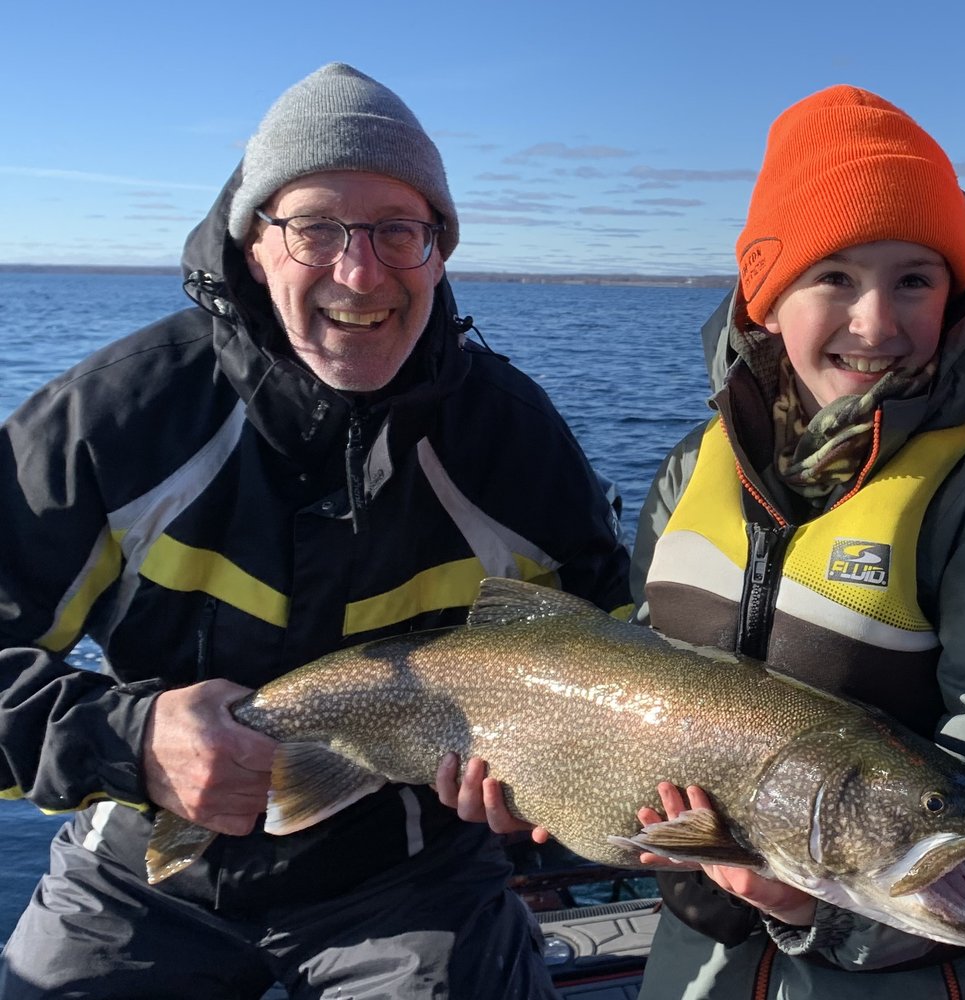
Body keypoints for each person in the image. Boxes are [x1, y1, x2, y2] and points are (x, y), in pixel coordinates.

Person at [0, 62, 629, 998]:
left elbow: (613, 665)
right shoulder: (114, 421)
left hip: (412, 882)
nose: (360, 269)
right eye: (316, 229)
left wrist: (538, 789)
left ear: (439, 252)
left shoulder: (510, 440)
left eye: (397, 231)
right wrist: (129, 741)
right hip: (143, 869)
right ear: (255, 244)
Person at [625, 85, 965, 999]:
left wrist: (815, 907)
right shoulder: (693, 465)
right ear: (766, 297)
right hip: (695, 963)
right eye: (832, 276)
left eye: (913, 278)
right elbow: (620, 679)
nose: (876, 323)